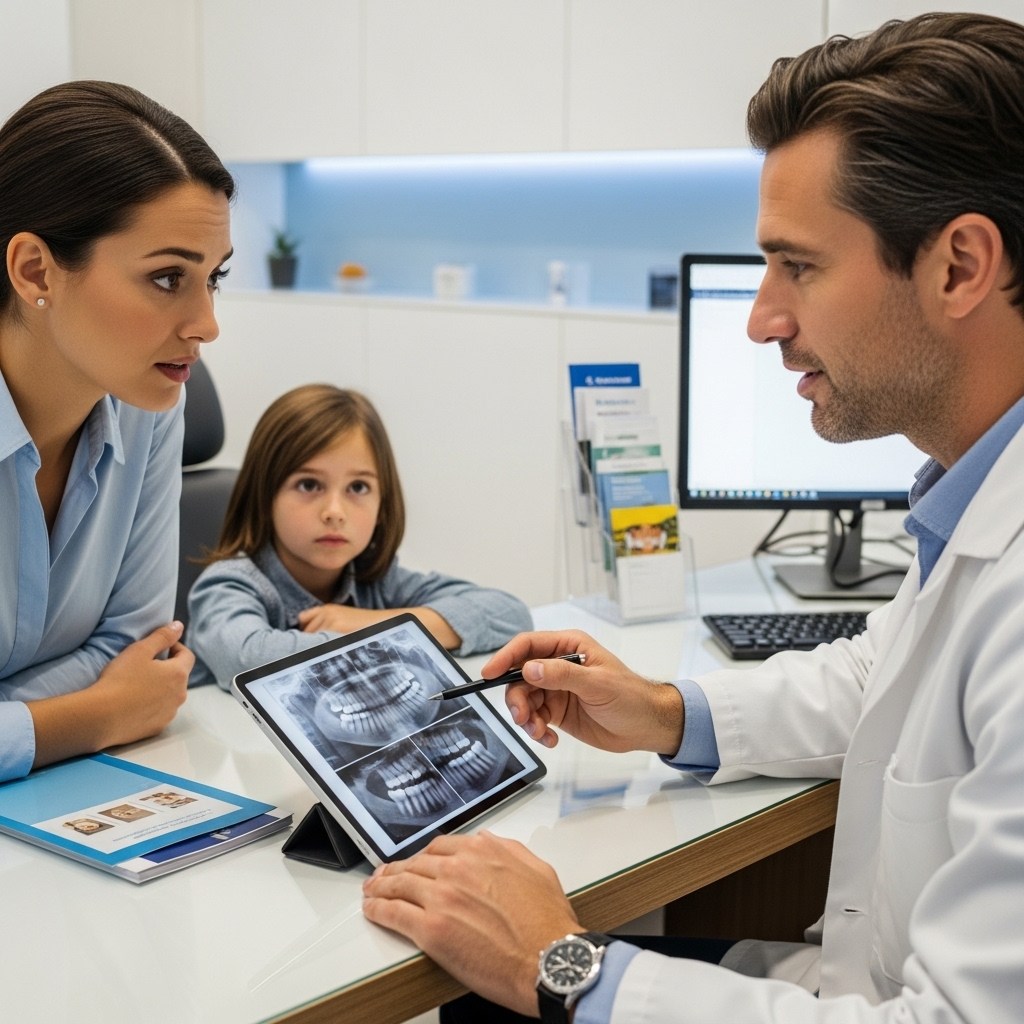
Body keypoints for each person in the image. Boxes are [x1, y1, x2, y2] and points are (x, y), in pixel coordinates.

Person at [361, 12, 1024, 1023]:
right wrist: (665, 712)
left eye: (797, 266)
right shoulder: (973, 503)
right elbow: (875, 681)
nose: (762, 317)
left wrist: (568, 969)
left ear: (959, 267)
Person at [0, 81, 233, 784]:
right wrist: (96, 715)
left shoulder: (151, 404)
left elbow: (137, 645)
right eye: (167, 278)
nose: (207, 324)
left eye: (213, 278)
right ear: (35, 270)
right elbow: (127, 693)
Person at [186, 384, 533, 687]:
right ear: (264, 496)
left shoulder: (376, 581)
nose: (335, 511)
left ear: (383, 502)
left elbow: (508, 614)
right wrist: (389, 635)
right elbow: (248, 659)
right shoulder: (227, 585)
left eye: (358, 487)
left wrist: (373, 622)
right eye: (309, 485)